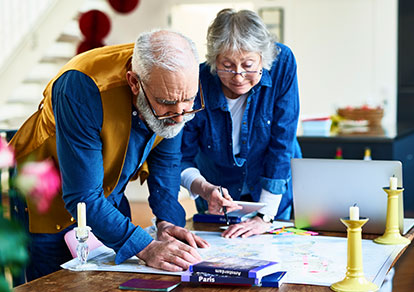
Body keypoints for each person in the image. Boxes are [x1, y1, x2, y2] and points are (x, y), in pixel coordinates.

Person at [9, 29, 209, 281]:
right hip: (46, 195)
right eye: (167, 105)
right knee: (54, 283)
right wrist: (146, 246)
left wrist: (167, 222)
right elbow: (83, 195)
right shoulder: (81, 86)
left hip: (107, 191)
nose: (180, 117)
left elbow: (167, 160)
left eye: (188, 102)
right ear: (134, 82)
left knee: (115, 280)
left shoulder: (172, 88)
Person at [180, 9, 302, 239]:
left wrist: (265, 215)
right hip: (218, 200)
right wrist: (204, 189)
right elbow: (180, 156)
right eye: (227, 65)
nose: (237, 76)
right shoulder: (197, 82)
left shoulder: (282, 63)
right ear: (214, 59)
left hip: (272, 191)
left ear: (263, 59)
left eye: (248, 65)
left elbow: (283, 141)